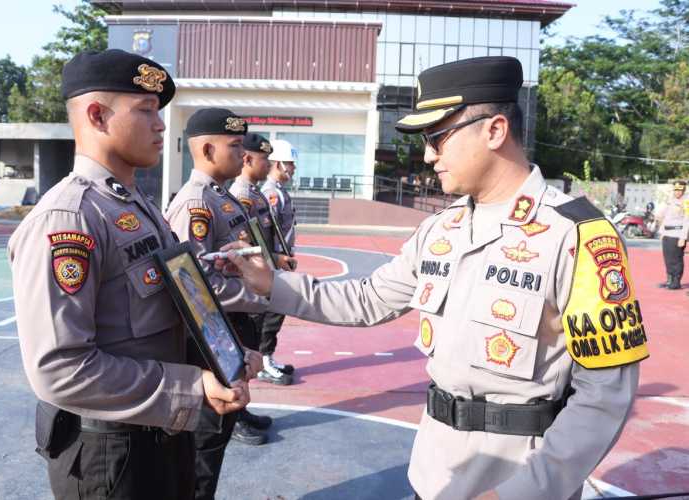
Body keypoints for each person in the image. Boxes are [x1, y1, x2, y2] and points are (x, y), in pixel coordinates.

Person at [222, 56, 648, 500]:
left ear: (495, 130)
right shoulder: (441, 229)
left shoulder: (575, 234)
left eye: (438, 137)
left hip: (518, 479)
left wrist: (523, 492)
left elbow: (605, 395)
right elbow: (369, 298)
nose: (428, 155)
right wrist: (270, 283)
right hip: (434, 471)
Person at [7, 49, 255, 500]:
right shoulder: (70, 218)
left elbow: (167, 305)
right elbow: (59, 369)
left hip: (159, 432)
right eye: (145, 111)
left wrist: (224, 355)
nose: (161, 125)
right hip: (111, 454)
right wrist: (191, 386)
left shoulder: (134, 205)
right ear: (98, 116)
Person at [165, 108, 270, 498]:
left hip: (231, 331)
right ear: (207, 149)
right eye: (235, 145)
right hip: (211, 341)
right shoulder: (195, 204)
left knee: (216, 440)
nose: (243, 154)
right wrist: (258, 294)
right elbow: (193, 286)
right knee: (203, 448)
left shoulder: (219, 197)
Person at [231, 133, 298, 388]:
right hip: (255, 274)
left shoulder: (256, 193)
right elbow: (245, 241)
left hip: (269, 265)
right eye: (264, 159)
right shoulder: (243, 194)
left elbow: (265, 234)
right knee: (255, 329)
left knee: (263, 324)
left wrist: (277, 258)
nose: (268, 164)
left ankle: (261, 366)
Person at [257, 139, 298, 384]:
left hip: (281, 260)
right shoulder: (271, 194)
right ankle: (263, 362)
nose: (293, 169)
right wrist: (277, 260)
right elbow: (269, 233)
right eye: (290, 164)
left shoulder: (279, 192)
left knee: (277, 312)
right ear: (278, 164)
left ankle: (268, 358)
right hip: (275, 263)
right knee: (270, 313)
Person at [654, 181, 688, 290]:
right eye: (676, 190)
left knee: (676, 259)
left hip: (677, 234)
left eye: (679, 190)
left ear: (683, 190)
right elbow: (664, 217)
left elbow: (687, 221)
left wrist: (683, 237)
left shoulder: (686, 202)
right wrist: (662, 232)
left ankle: (676, 281)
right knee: (667, 258)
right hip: (668, 233)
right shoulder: (670, 201)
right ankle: (669, 280)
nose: (677, 192)